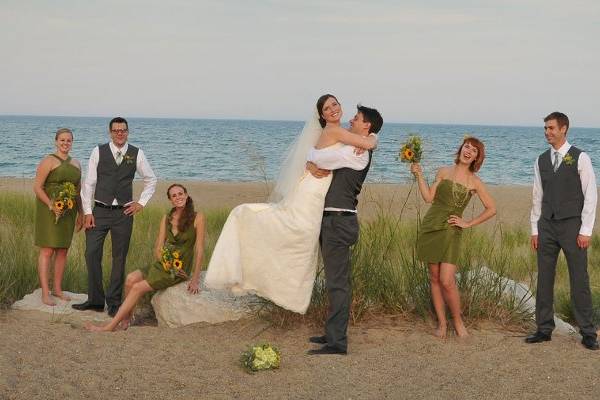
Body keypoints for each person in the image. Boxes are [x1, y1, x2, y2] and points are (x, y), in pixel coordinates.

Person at [204, 94, 377, 314]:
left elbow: (346, 148)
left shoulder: (342, 134)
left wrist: (314, 162)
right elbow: (366, 143)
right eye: (327, 108)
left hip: (319, 193)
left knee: (299, 242)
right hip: (312, 192)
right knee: (292, 231)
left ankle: (282, 289)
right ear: (322, 116)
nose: (333, 109)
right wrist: (372, 138)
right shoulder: (334, 130)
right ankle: (260, 278)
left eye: (335, 104)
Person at [306, 101, 383, 355]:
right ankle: (331, 333)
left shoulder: (355, 155)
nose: (351, 120)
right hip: (335, 220)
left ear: (366, 124)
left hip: (339, 221)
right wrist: (371, 137)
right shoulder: (355, 147)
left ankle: (337, 342)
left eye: (357, 118)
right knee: (334, 281)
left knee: (338, 284)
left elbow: (319, 156)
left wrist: (310, 160)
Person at [86, 184, 205, 331]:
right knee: (130, 279)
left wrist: (194, 279)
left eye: (180, 194)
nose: (178, 197)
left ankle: (109, 326)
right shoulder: (166, 218)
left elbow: (199, 249)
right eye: (174, 196)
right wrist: (166, 263)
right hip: (165, 264)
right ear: (170, 200)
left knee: (137, 287)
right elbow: (158, 248)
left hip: (179, 269)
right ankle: (128, 318)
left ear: (186, 195)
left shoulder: (198, 217)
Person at [409, 137, 496, 339]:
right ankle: (441, 323)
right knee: (434, 278)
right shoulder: (443, 171)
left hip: (451, 230)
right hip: (431, 226)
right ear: (461, 148)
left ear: (477, 158)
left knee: (447, 280)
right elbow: (429, 198)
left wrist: (467, 223)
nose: (469, 151)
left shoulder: (475, 182)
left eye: (474, 150)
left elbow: (492, 209)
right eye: (467, 146)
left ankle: (457, 321)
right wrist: (419, 175)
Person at [526, 112, 598, 350]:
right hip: (546, 225)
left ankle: (588, 332)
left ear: (564, 129)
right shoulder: (541, 160)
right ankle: (544, 329)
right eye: (545, 128)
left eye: (551, 128)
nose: (547, 132)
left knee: (579, 279)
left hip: (572, 226)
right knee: (544, 278)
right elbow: (537, 195)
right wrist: (535, 228)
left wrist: (586, 230)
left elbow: (590, 195)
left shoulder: (580, 157)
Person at [73, 117, 157, 317]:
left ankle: (113, 303)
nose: (120, 133)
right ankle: (94, 300)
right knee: (91, 254)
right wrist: (87, 212)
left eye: (123, 130)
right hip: (99, 212)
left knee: (119, 259)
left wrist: (141, 203)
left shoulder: (137, 153)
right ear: (110, 132)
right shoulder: (98, 151)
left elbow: (151, 179)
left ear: (128, 132)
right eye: (116, 130)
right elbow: (89, 184)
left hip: (123, 213)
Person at [33, 128, 83, 306]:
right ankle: (45, 292)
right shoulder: (48, 160)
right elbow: (37, 187)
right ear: (56, 142)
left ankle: (57, 289)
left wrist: (81, 213)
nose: (65, 143)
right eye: (62, 140)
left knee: (63, 249)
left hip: (68, 211)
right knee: (47, 250)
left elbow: (78, 192)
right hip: (49, 209)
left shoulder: (76, 163)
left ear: (72, 142)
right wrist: (51, 205)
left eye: (69, 140)